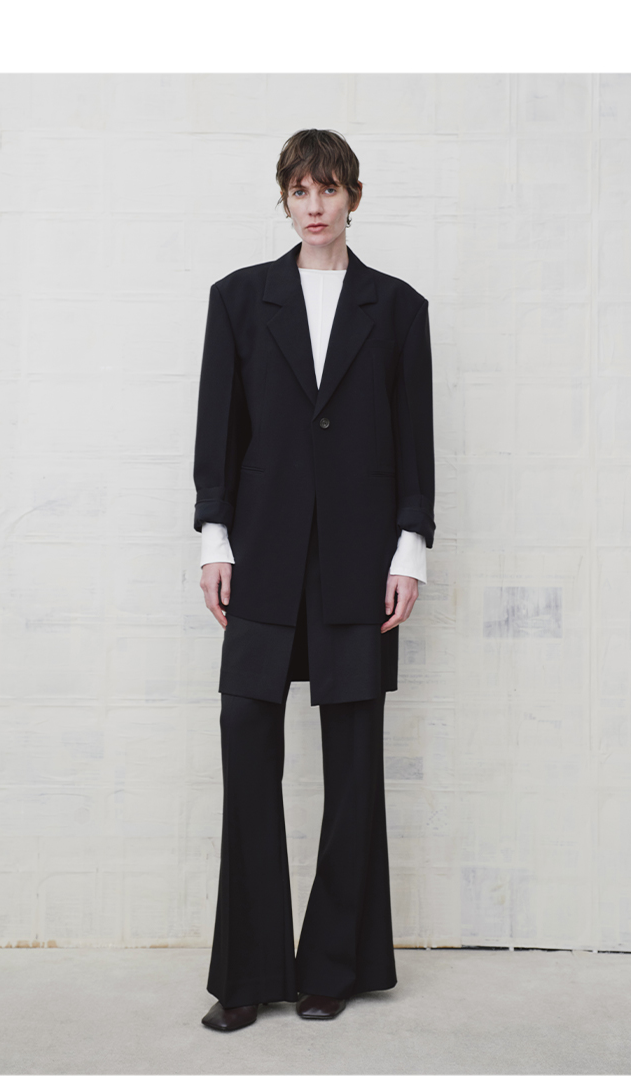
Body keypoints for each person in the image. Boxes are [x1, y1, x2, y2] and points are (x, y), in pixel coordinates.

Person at [193, 129, 435, 1031]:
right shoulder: (238, 299)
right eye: (300, 189)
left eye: (328, 188)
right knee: (245, 738)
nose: (314, 204)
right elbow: (219, 428)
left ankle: (335, 963)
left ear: (352, 197)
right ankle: (249, 971)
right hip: (261, 554)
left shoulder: (397, 307)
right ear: (286, 198)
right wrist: (213, 539)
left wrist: (410, 548)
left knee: (354, 761)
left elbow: (415, 437)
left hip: (361, 561)